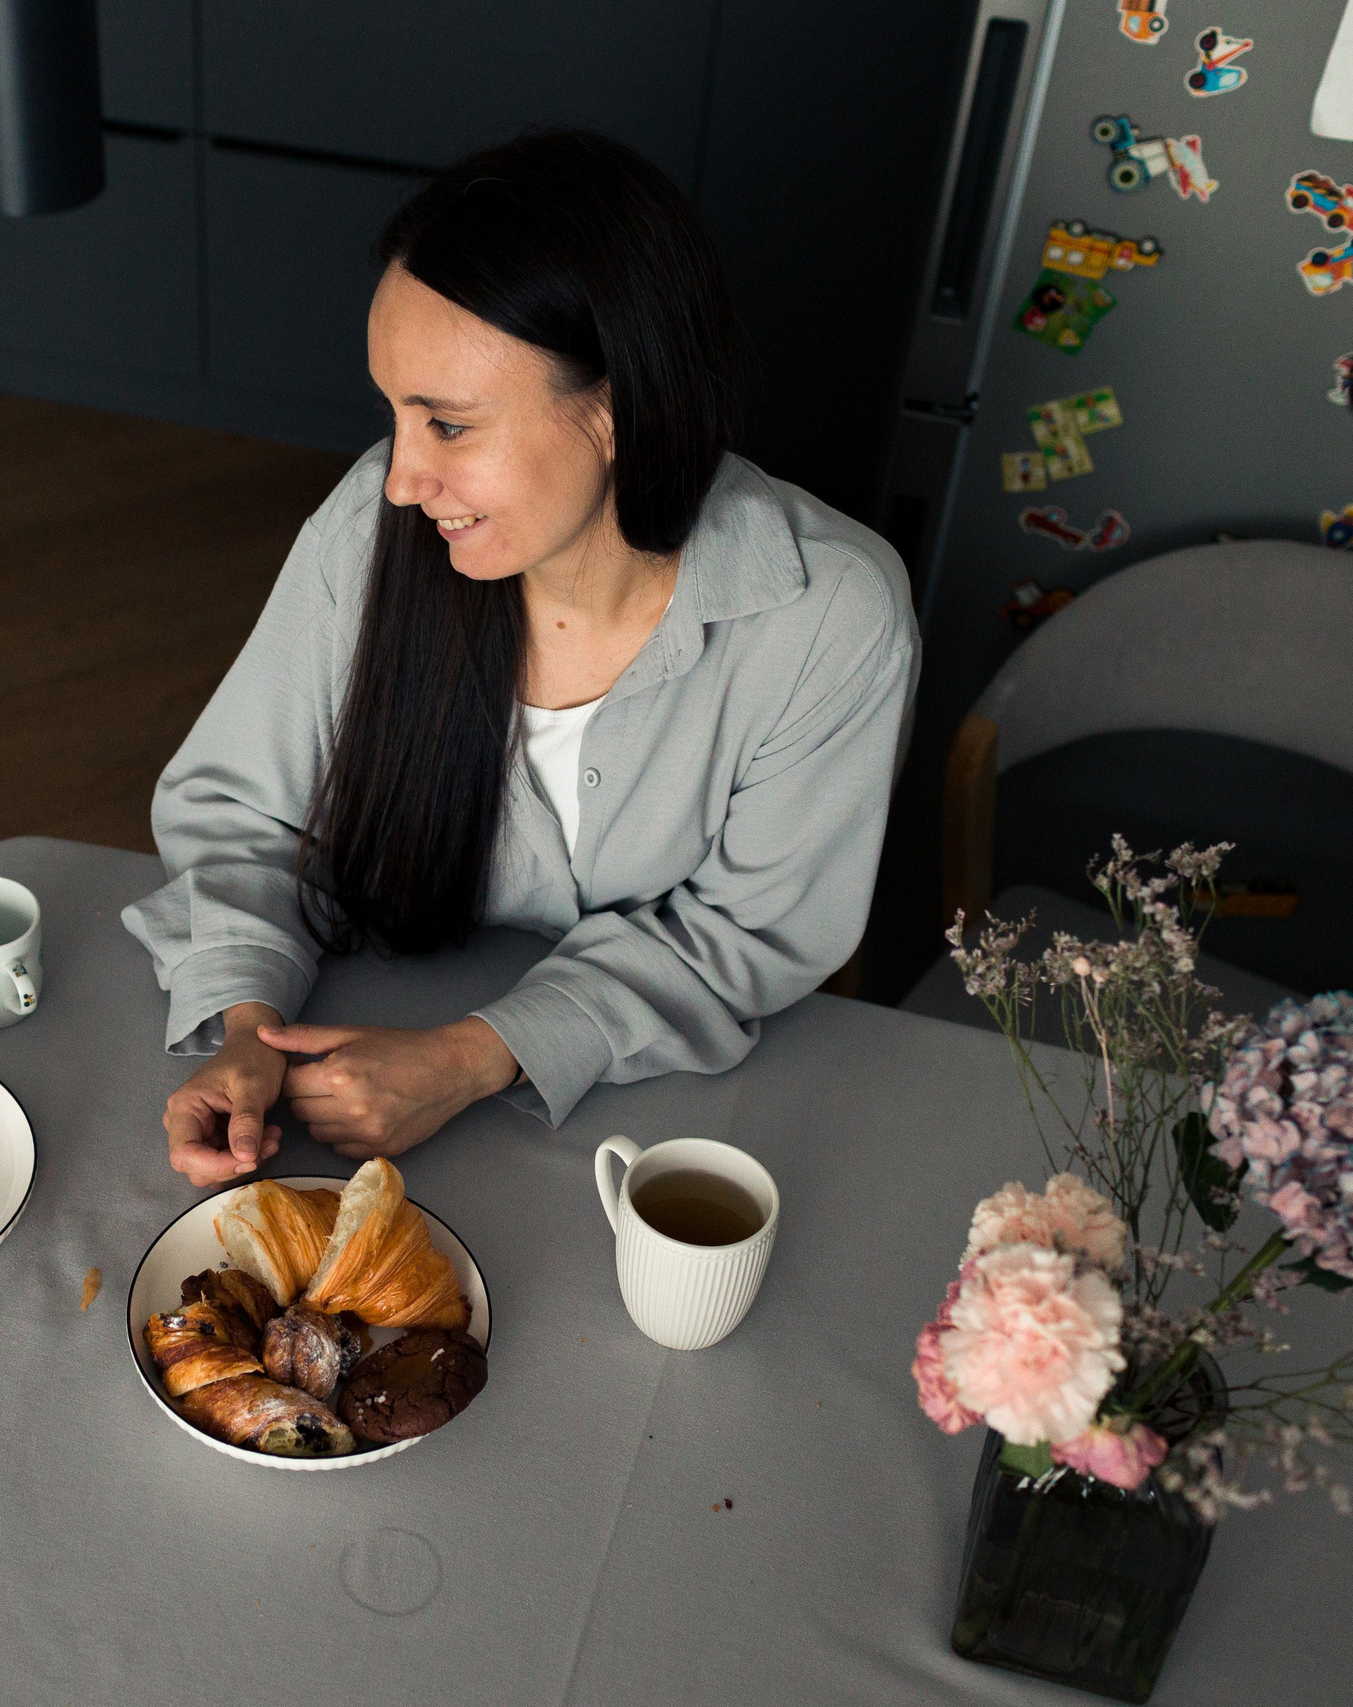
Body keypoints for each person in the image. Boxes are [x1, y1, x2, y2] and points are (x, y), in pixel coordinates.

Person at [125, 131, 917, 1187]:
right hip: (355, 1049)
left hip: (654, 1131)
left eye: (448, 425)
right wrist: (245, 1030)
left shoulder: (829, 618)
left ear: (617, 410)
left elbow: (746, 934)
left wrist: (468, 1059)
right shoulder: (372, 525)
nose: (402, 479)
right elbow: (241, 813)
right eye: (395, 416)